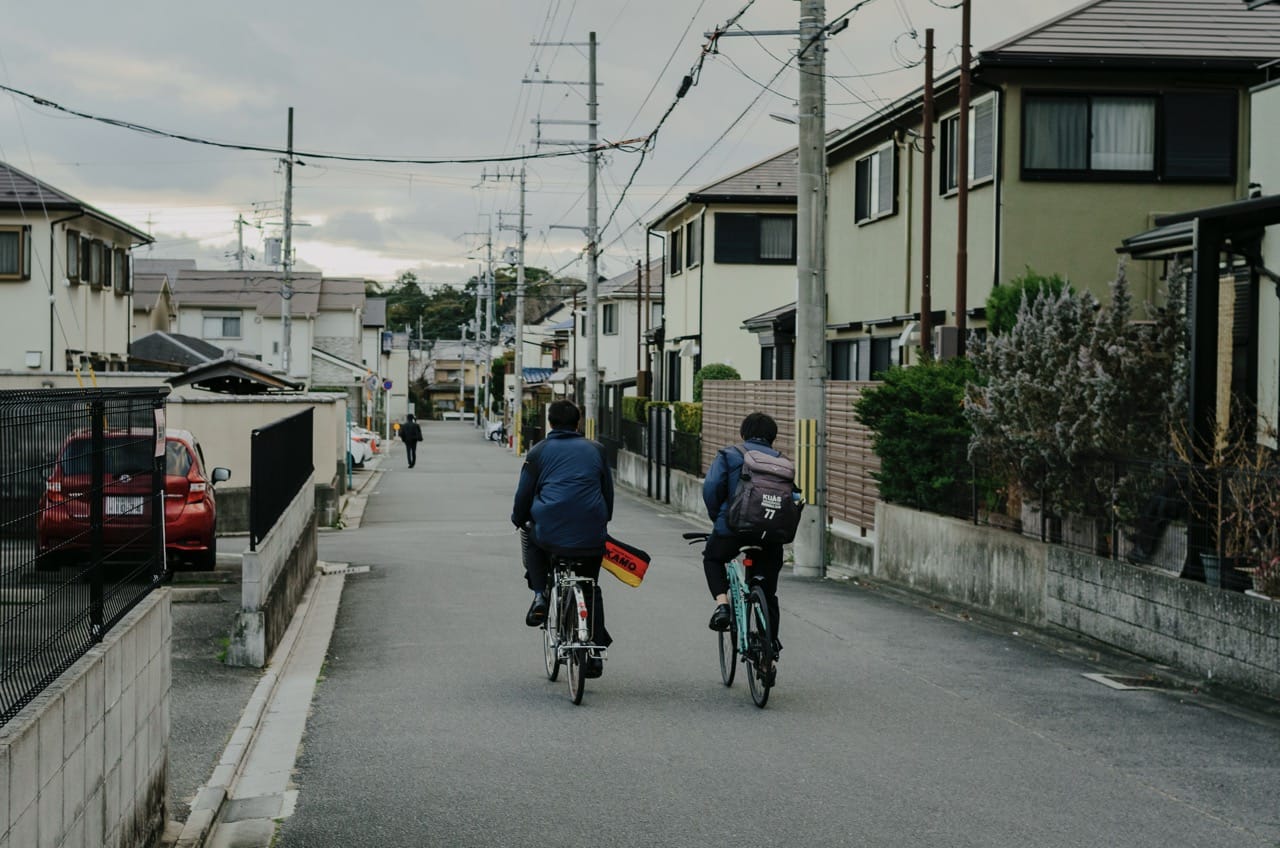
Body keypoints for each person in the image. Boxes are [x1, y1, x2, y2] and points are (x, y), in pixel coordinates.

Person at [511, 400, 614, 676]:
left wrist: (518, 519)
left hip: (550, 531)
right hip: (592, 532)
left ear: (550, 422)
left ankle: (540, 596)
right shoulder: (597, 450)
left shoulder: (539, 452)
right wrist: (603, 520)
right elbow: (607, 493)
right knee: (590, 586)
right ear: (578, 423)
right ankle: (593, 651)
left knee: (531, 536)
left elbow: (524, 494)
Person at [702, 412, 786, 654]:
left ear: (743, 433)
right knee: (767, 591)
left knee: (713, 558)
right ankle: (769, 650)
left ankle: (723, 606)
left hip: (733, 529)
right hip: (771, 534)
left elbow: (711, 489)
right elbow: (792, 498)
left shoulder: (729, 455)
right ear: (773, 437)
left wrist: (718, 519)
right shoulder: (782, 461)